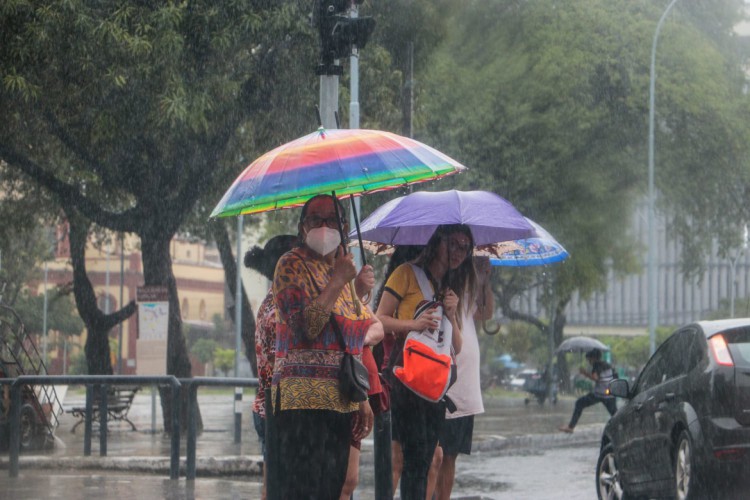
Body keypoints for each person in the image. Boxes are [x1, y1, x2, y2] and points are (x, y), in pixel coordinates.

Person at [271, 194, 384, 499]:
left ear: (344, 226)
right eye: (315, 219)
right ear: (302, 226)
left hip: (339, 403)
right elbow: (307, 328)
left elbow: (355, 340)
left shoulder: (343, 271)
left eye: (331, 219)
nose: (323, 226)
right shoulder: (290, 264)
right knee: (301, 491)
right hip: (300, 405)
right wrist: (337, 282)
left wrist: (360, 399)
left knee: (331, 490)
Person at [377, 224, 475, 499]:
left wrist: (453, 315)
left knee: (425, 462)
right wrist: (414, 324)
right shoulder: (405, 274)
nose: (459, 252)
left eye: (465, 248)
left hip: (434, 389)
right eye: (454, 244)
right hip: (405, 381)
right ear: (438, 241)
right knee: (405, 460)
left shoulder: (447, 290)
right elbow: (378, 320)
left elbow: (456, 346)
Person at [243, 234, 297, 500]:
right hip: (277, 411)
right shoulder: (279, 310)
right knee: (278, 488)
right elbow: (282, 365)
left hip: (269, 408)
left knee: (274, 486)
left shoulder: (272, 301)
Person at [436, 255, 494, 500]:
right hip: (441, 384)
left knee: (450, 454)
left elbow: (486, 312)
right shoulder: (439, 286)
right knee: (434, 453)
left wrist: (483, 280)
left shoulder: (468, 290)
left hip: (465, 387)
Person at [558, 348, 617, 433]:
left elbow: (596, 378)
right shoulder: (607, 365)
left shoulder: (596, 365)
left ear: (593, 358)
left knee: (579, 403)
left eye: (589, 359)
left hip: (600, 394)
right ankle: (624, 428)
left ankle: (571, 427)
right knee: (615, 414)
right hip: (610, 394)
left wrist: (584, 373)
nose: (589, 361)